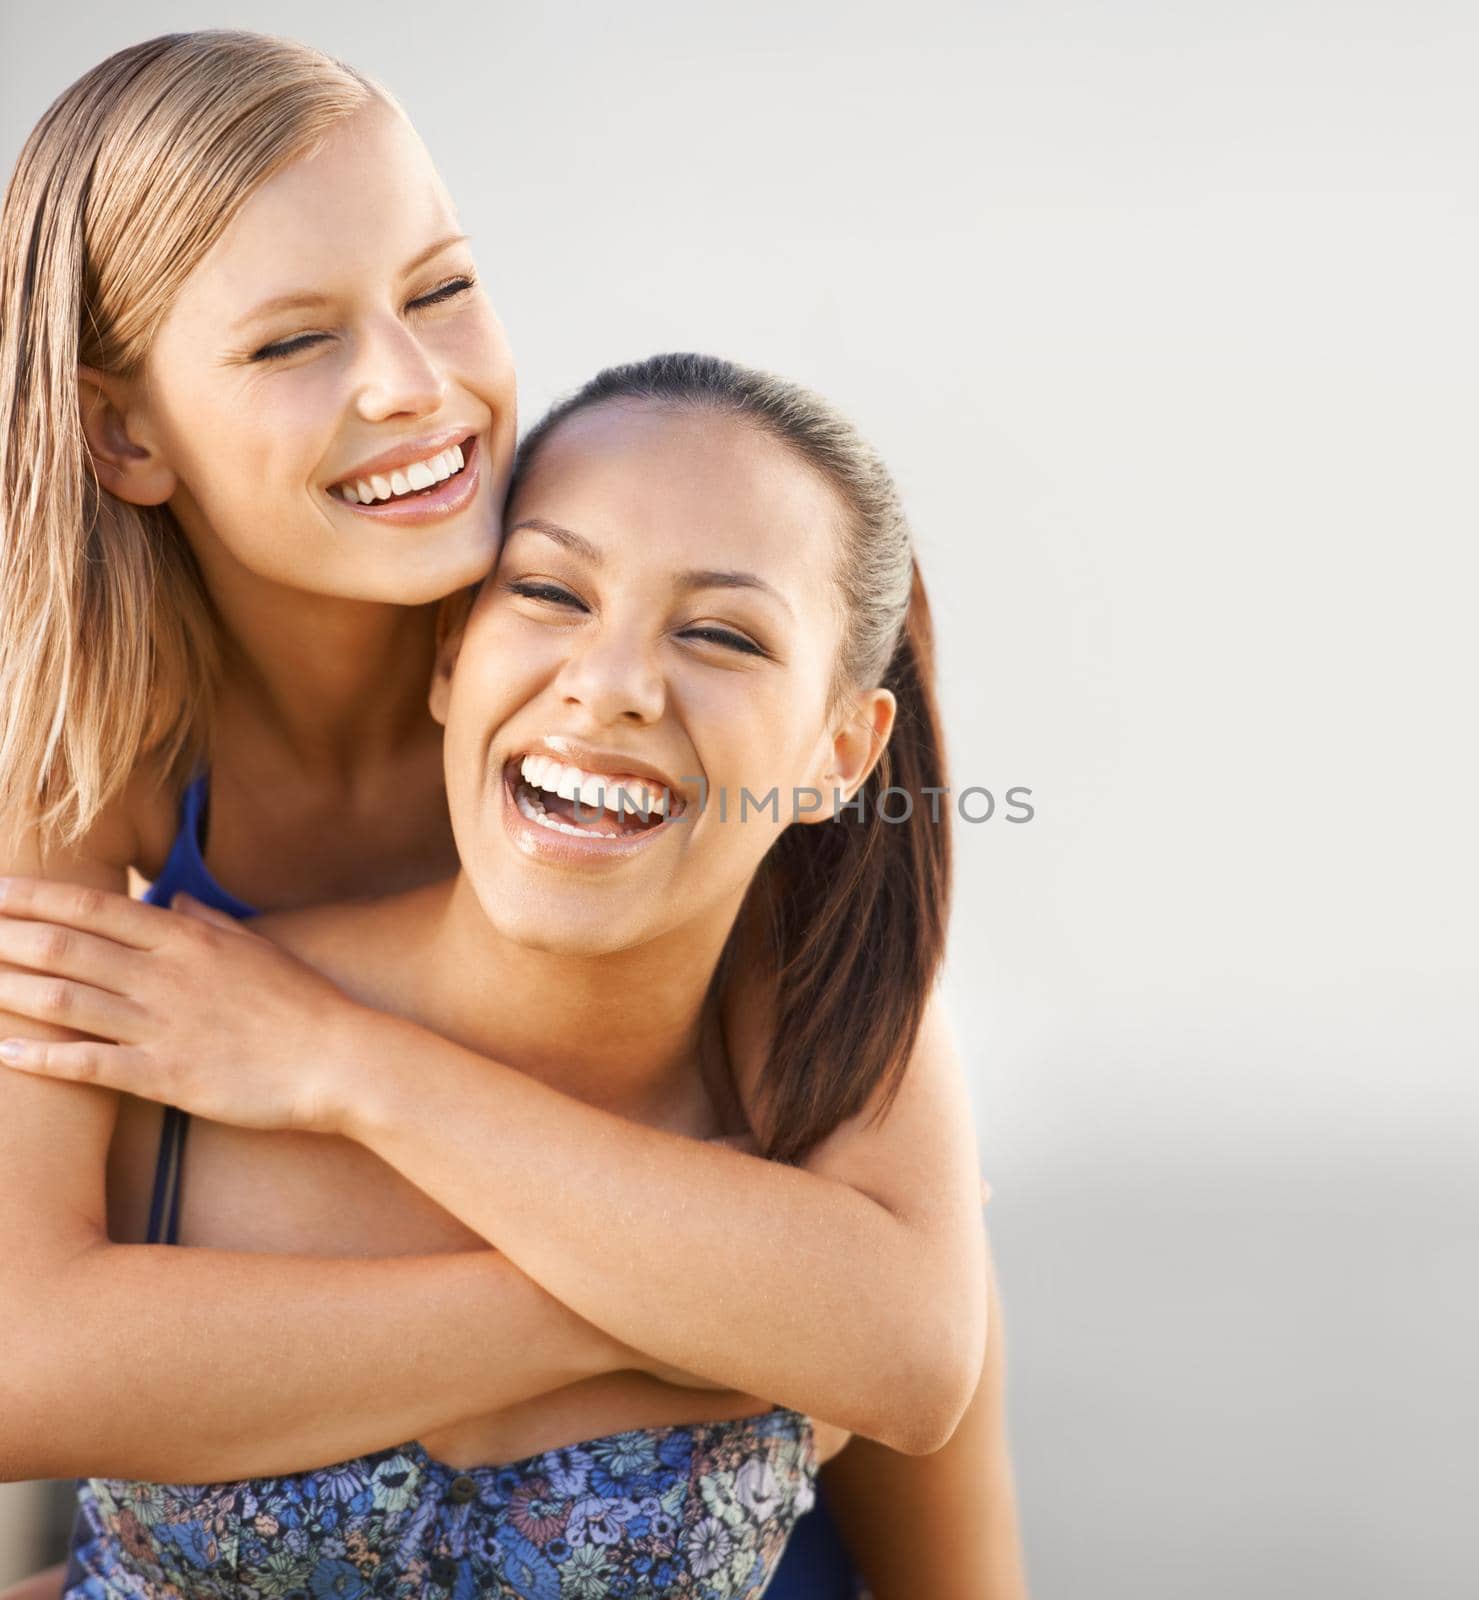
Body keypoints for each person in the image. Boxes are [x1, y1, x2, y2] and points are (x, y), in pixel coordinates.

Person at [0, 31, 1025, 1600]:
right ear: (123, 431)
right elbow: (29, 1357)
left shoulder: (615, 683)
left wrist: (337, 1061)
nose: (411, 387)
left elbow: (910, 1339)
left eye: (440, 288)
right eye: (290, 345)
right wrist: (666, 1305)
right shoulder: (77, 752)